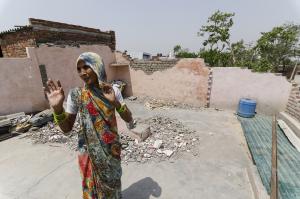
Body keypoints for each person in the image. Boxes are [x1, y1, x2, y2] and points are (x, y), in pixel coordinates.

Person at [44, 52, 133, 199]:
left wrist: (115, 103)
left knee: (112, 185)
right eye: (79, 69)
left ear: (97, 66)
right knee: (91, 189)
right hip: (87, 152)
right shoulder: (76, 94)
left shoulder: (112, 90)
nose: (82, 73)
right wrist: (58, 108)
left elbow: (129, 118)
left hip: (110, 150)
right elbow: (67, 128)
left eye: (86, 67)